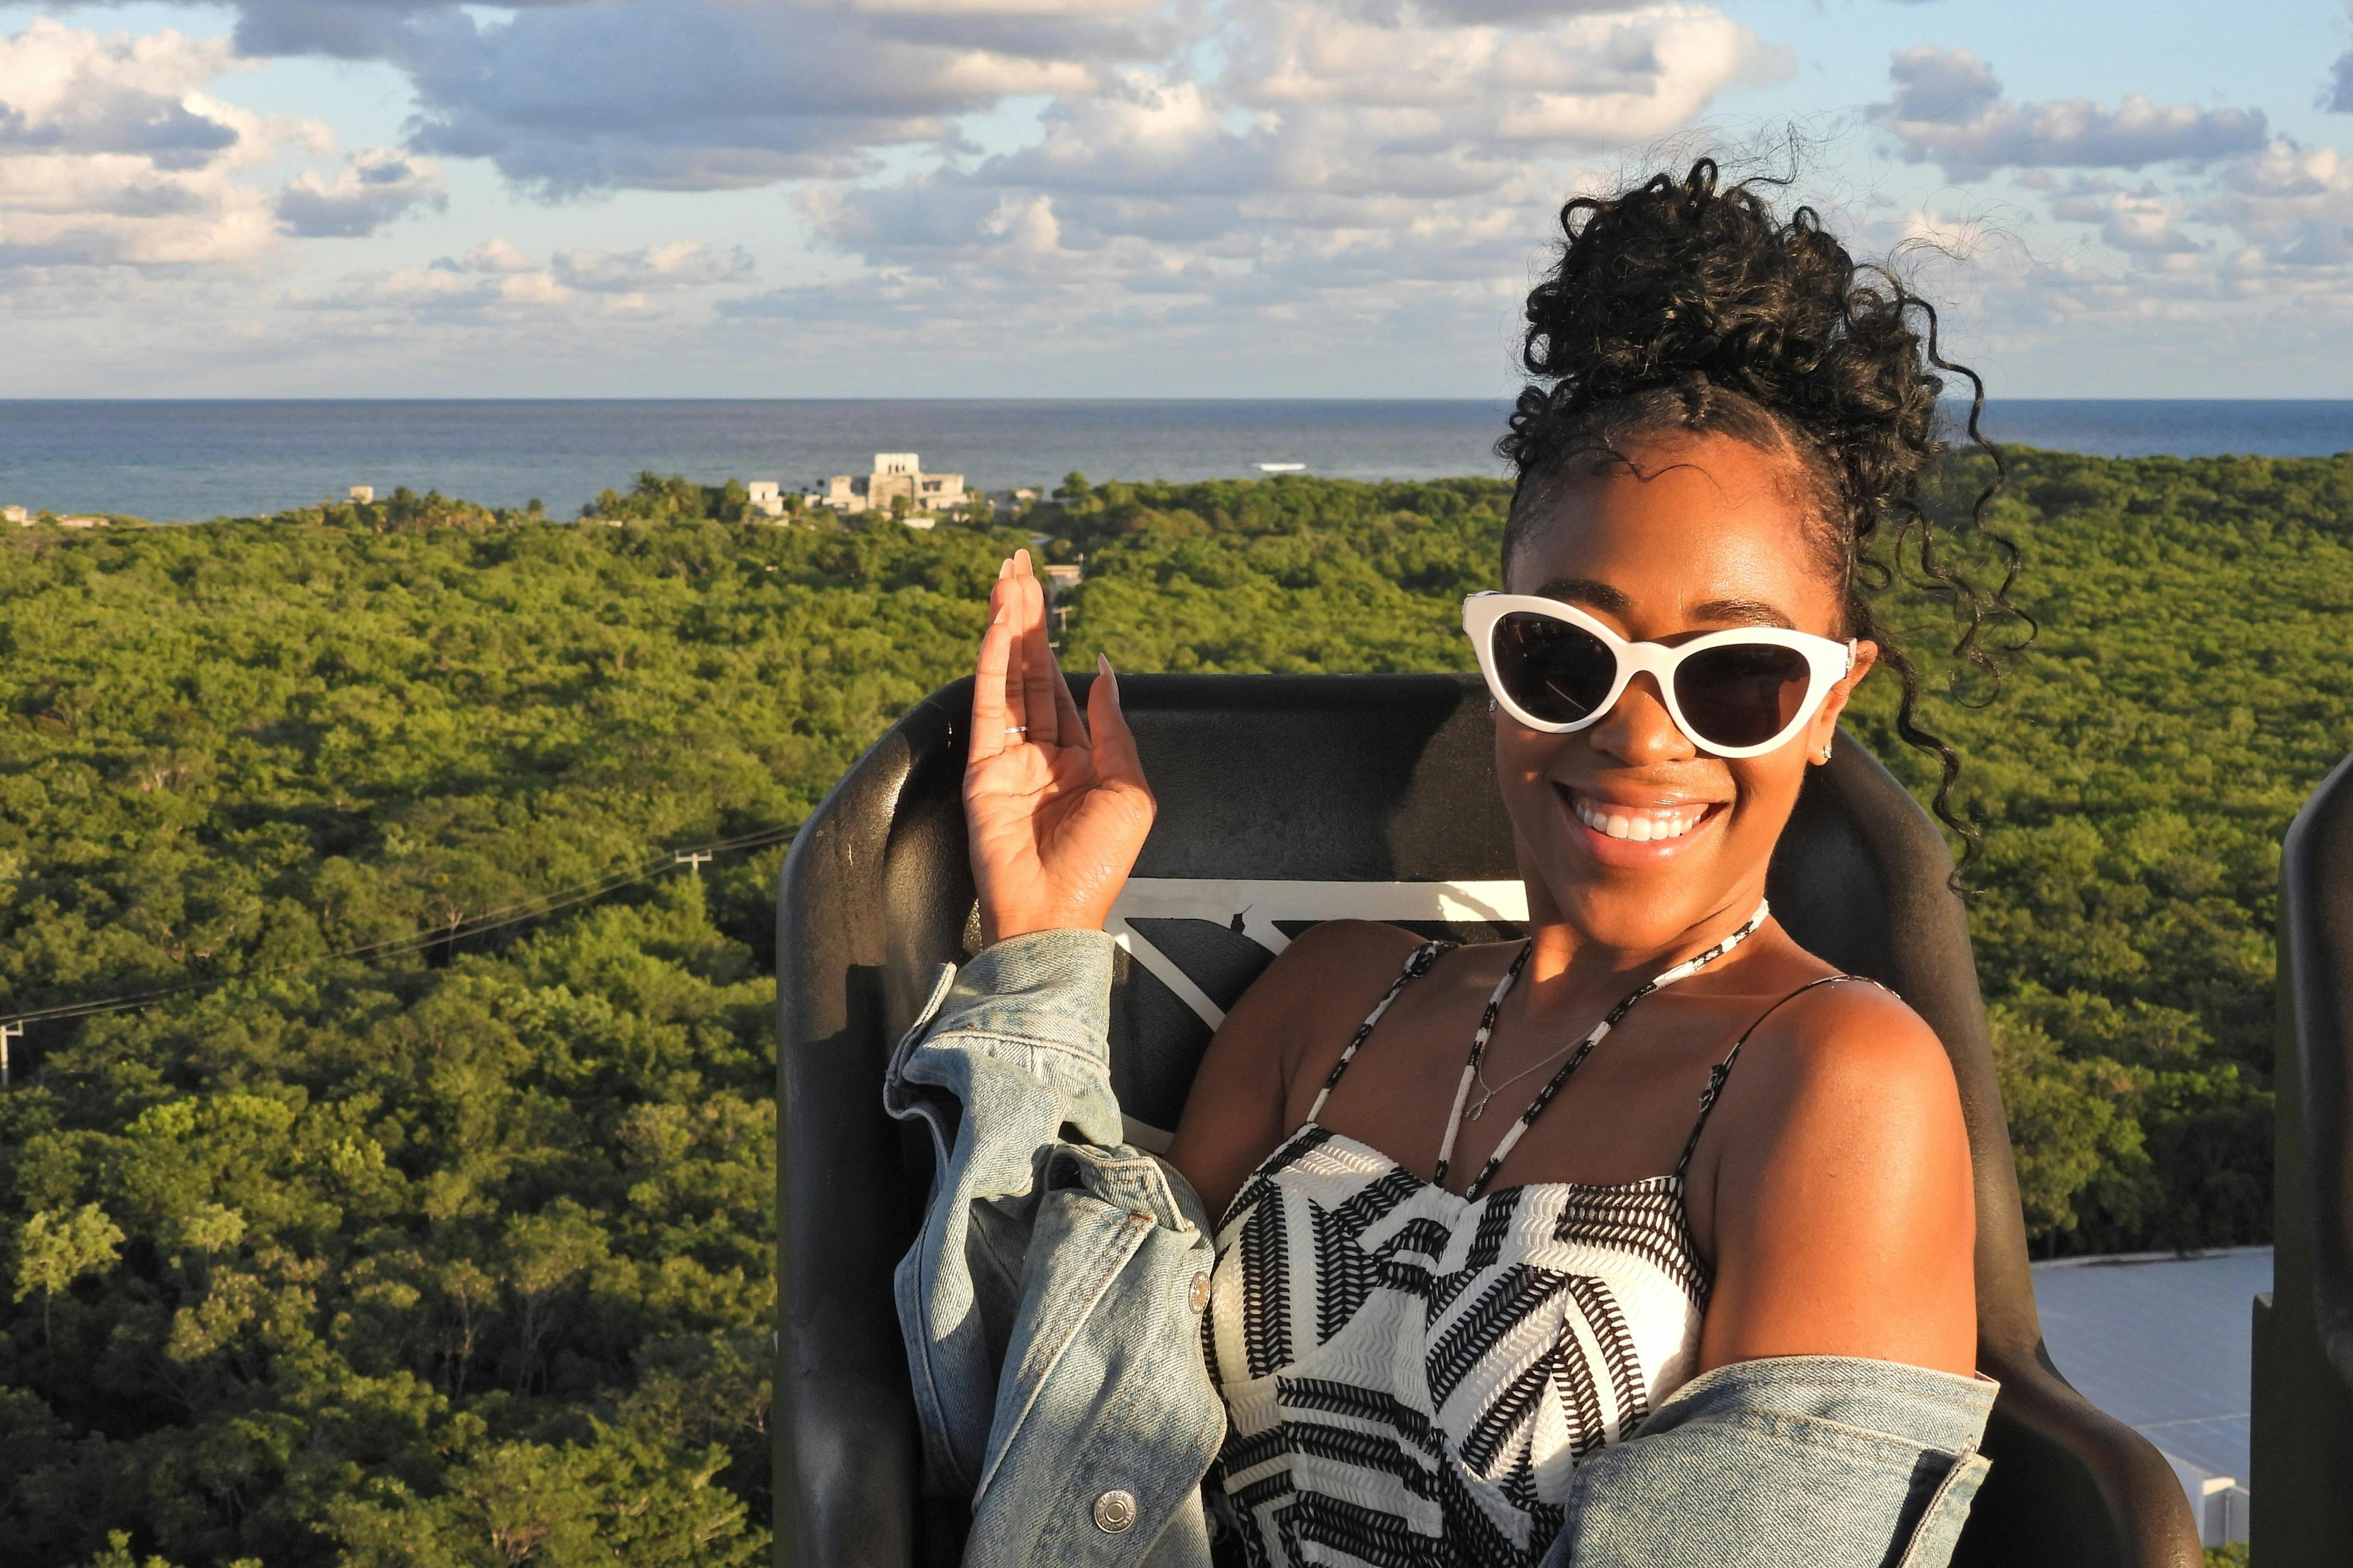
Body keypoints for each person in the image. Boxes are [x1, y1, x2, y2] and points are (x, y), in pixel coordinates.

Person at [890, 160, 2017, 1568]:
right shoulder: (1329, 1001)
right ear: (1495, 664)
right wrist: (1041, 955)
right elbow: (1015, 1417)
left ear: (1828, 701)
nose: (1637, 733)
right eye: (1565, 655)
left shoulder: (1833, 1081)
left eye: (1733, 676)